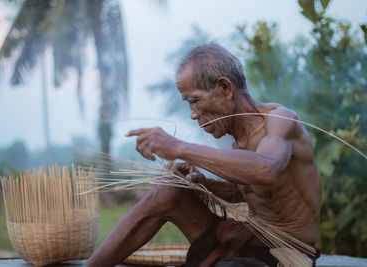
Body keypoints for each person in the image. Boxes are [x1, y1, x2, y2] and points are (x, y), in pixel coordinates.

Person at [84, 43, 321, 267]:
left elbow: (267, 170)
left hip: (286, 254)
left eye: (195, 101)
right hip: (250, 242)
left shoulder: (280, 121)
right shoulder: (239, 142)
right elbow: (248, 191)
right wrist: (204, 184)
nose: (193, 115)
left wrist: (177, 147)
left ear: (225, 89)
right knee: (169, 190)